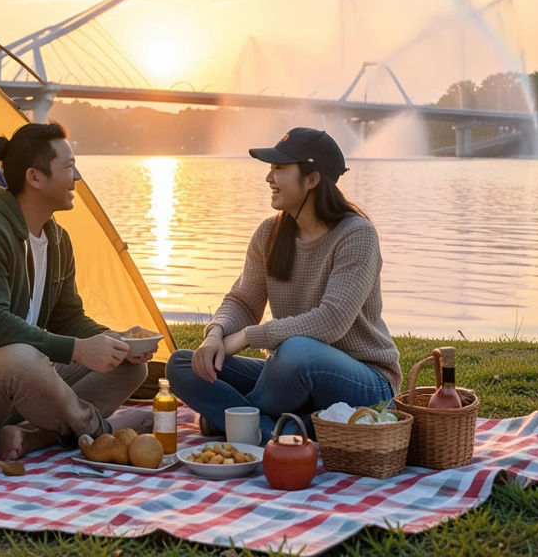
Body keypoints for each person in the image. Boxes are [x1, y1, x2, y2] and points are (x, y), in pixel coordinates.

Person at [0, 121, 154, 461]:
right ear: (35, 178)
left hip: (12, 384)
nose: (77, 177)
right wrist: (77, 350)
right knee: (22, 357)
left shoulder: (57, 240)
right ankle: (100, 433)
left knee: (128, 366)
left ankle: (32, 435)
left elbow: (68, 318)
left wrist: (118, 342)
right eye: (68, 167)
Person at [166, 127, 401, 441]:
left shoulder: (356, 235)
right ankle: (287, 428)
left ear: (312, 179)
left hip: (364, 382)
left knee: (295, 352)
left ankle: (234, 421)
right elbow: (242, 301)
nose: (268, 178)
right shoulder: (269, 234)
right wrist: (215, 334)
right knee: (184, 364)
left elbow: (331, 321)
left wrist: (249, 336)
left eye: (279, 168)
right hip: (287, 377)